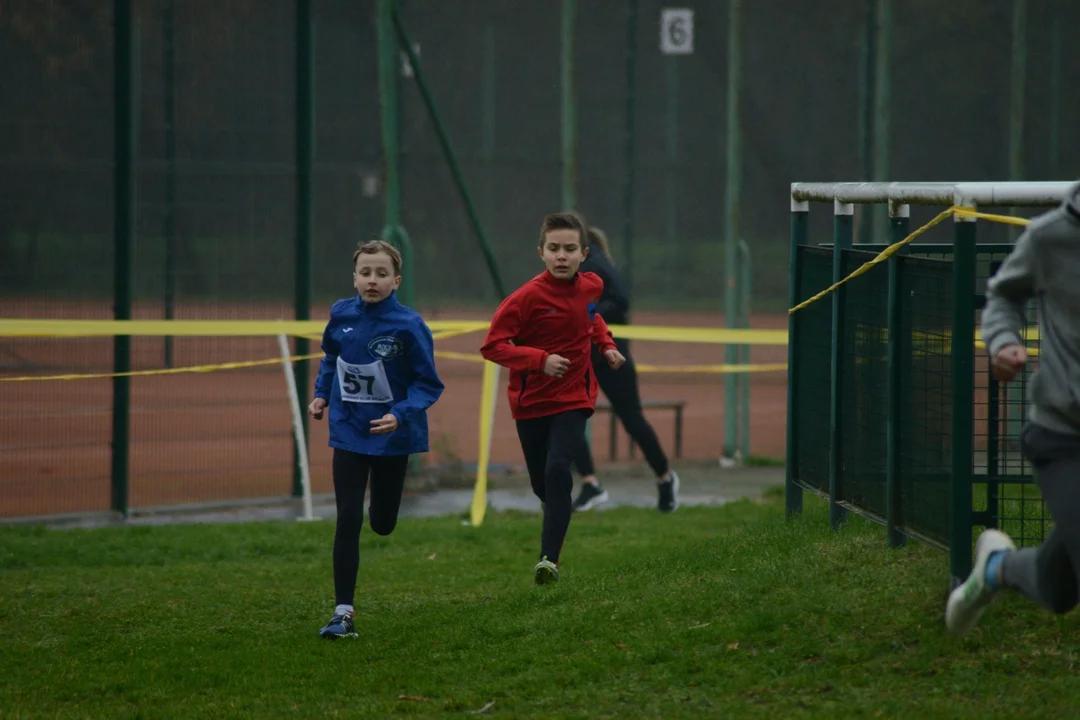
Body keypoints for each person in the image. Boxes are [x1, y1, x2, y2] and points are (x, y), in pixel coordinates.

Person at [946, 181, 1080, 635]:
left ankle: (996, 569)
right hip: (1065, 437)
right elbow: (1004, 294)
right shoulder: (1051, 236)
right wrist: (1003, 343)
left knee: (1060, 590)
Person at [308, 239, 444, 639]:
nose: (372, 280)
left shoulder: (409, 325)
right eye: (365, 273)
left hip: (390, 437)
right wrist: (320, 393)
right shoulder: (341, 314)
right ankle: (342, 613)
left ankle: (382, 513)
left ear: (396, 280)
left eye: (381, 273)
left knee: (382, 523)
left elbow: (428, 383)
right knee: (347, 518)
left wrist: (398, 415)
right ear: (354, 278)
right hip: (348, 430)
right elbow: (332, 357)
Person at [480, 211, 626, 585]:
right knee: (543, 485)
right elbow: (493, 346)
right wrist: (539, 361)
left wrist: (606, 346)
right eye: (554, 249)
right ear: (541, 252)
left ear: (584, 253)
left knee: (559, 468)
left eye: (570, 249)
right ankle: (556, 506)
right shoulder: (524, 299)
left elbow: (593, 319)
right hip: (530, 402)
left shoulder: (591, 286)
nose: (562, 256)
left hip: (575, 396)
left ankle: (549, 560)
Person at [568, 226, 681, 513]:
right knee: (567, 416)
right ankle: (591, 483)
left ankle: (665, 478)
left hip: (611, 355)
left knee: (631, 419)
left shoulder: (595, 263)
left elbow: (620, 300)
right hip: (581, 356)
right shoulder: (566, 270)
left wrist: (588, 315)